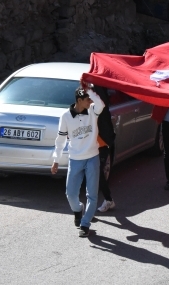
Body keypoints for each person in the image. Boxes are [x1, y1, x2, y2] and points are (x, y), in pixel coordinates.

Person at [51, 83, 105, 237]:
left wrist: (89, 90)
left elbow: (100, 104)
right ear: (79, 100)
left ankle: (85, 223)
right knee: (70, 193)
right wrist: (56, 159)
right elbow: (60, 140)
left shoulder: (93, 111)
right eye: (88, 99)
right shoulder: (66, 117)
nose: (91, 101)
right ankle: (78, 209)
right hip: (75, 159)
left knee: (92, 195)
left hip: (92, 157)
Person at [93, 85, 116, 213]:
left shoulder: (101, 107)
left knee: (98, 173)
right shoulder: (83, 109)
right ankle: (90, 208)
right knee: (90, 173)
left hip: (102, 145)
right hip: (89, 146)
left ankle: (108, 200)